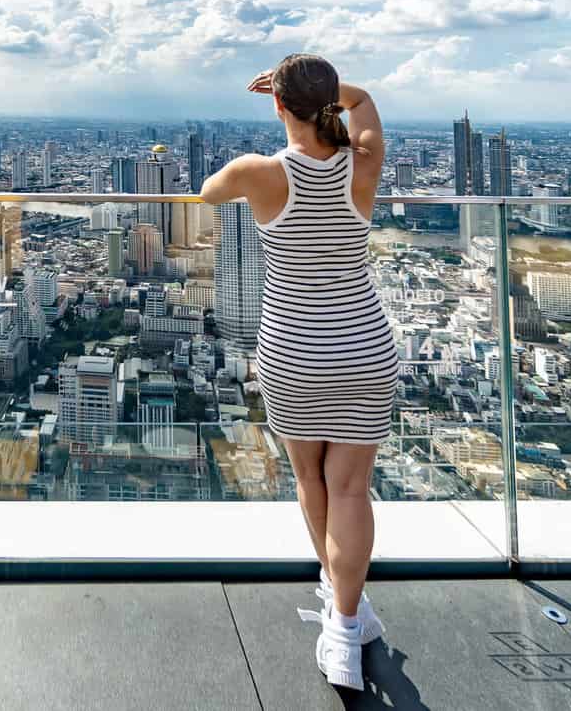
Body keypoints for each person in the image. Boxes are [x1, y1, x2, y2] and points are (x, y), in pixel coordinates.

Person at [199, 53, 397, 692]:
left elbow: (207, 191)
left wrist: (293, 103)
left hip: (294, 354)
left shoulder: (259, 174)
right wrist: (335, 94)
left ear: (277, 105)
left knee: (310, 482)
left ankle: (341, 618)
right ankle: (347, 616)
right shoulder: (361, 167)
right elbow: (364, 111)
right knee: (351, 489)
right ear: (330, 103)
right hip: (364, 347)